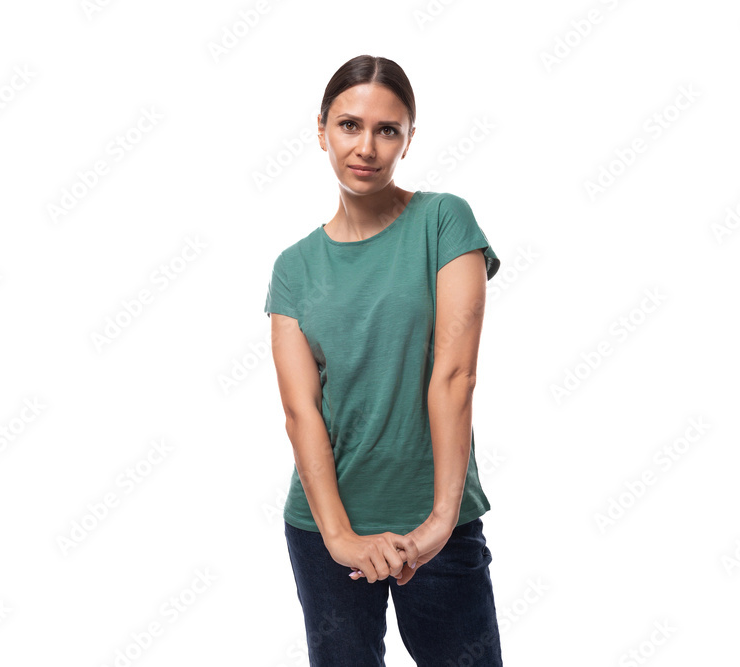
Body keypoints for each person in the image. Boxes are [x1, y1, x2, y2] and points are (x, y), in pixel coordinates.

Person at [264, 54, 504, 666]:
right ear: (322, 130)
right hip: (325, 529)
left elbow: (455, 376)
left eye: (387, 130)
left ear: (408, 138)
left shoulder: (444, 221)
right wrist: (340, 537)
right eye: (349, 125)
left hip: (439, 527)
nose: (366, 147)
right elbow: (301, 412)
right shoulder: (293, 268)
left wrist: (439, 522)